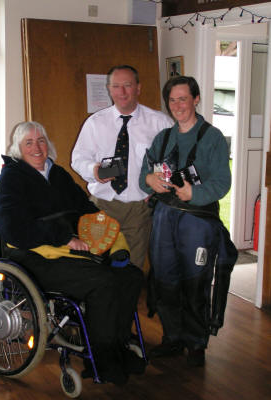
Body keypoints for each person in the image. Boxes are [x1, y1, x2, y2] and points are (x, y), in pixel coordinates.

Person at [0, 121, 146, 385]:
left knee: (131, 276)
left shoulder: (58, 174)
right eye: (29, 142)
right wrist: (64, 237)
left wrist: (101, 229)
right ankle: (101, 357)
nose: (37, 147)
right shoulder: (11, 178)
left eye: (41, 140)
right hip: (34, 255)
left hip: (70, 250)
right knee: (103, 282)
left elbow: (84, 208)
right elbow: (13, 229)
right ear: (17, 149)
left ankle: (118, 345)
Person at [139, 76, 237, 367]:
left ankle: (196, 341)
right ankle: (172, 337)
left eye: (184, 98)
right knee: (165, 280)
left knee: (196, 282)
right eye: (172, 100)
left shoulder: (213, 137)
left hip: (198, 221)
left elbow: (222, 181)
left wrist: (194, 192)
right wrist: (148, 180)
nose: (178, 105)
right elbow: (146, 172)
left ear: (196, 99)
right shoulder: (163, 138)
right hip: (165, 218)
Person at [71, 65, 173, 269]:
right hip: (102, 205)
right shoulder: (95, 123)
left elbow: (172, 161)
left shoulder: (160, 123)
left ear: (138, 88)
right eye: (116, 86)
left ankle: (128, 301)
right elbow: (78, 159)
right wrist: (94, 170)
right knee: (98, 266)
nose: (122, 92)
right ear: (109, 89)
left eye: (127, 85)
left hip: (139, 209)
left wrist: (158, 189)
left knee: (131, 268)